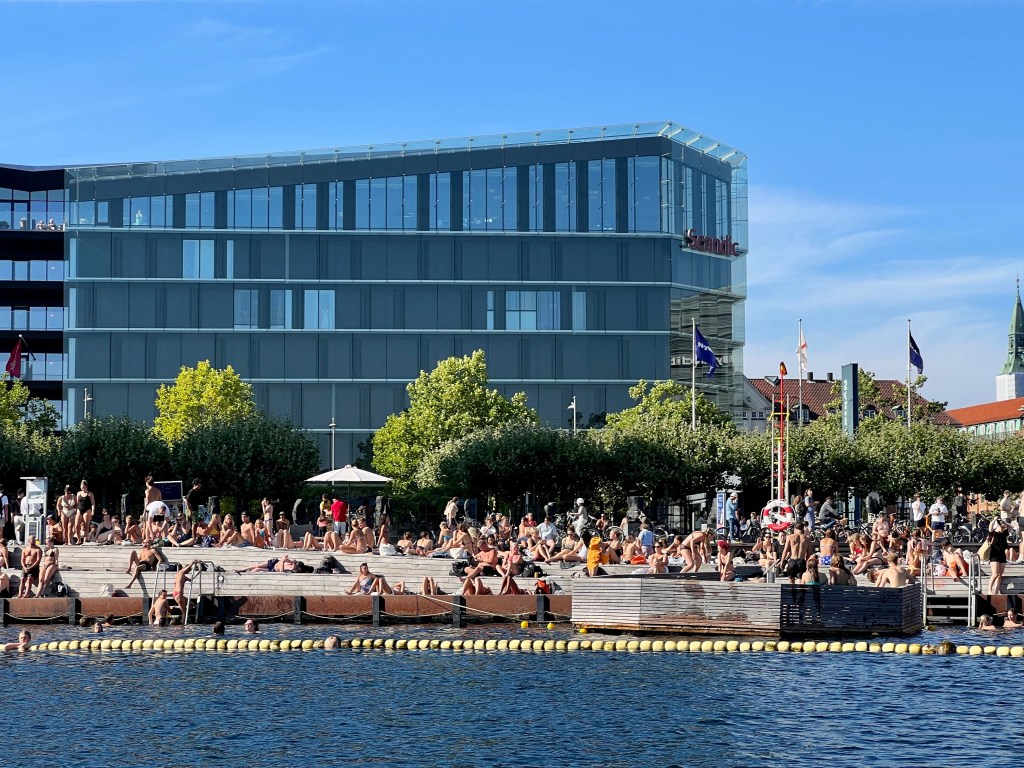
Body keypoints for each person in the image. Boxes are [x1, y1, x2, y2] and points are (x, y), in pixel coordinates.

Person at [988, 518, 1010, 595]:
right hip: (994, 554)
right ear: (997, 526)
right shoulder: (993, 533)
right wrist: (995, 520)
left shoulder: (1004, 533)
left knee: (999, 574)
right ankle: (989, 590)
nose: (1003, 529)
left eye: (1004, 527)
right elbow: (990, 526)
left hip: (1002, 554)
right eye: (1002, 527)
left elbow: (1011, 527)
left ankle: (996, 591)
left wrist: (1005, 523)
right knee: (995, 574)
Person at [75, 480, 96, 545]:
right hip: (79, 509)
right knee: (77, 525)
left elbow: (93, 503)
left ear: (86, 486)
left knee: (86, 525)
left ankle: (85, 539)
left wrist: (93, 510)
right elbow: (77, 503)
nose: (83, 487)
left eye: (84, 486)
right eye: (81, 485)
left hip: (87, 510)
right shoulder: (78, 493)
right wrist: (75, 510)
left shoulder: (90, 494)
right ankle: (78, 539)